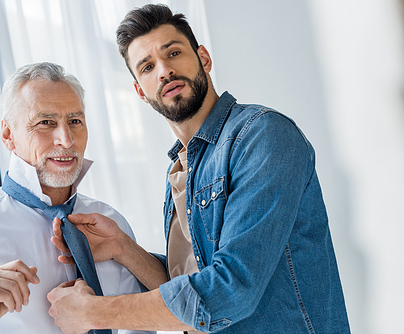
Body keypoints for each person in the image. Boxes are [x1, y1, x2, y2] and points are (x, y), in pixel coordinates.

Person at [47, 4, 351, 334]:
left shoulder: (262, 135)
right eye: (147, 67)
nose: (163, 71)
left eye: (173, 53)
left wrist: (95, 312)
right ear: (140, 92)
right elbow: (192, 286)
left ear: (203, 59)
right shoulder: (182, 167)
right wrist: (123, 248)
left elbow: (229, 290)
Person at [0, 62, 148, 334]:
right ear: (8, 135)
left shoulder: (113, 225)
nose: (66, 140)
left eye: (75, 121)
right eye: (46, 123)